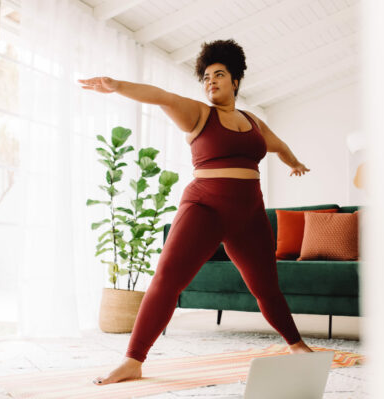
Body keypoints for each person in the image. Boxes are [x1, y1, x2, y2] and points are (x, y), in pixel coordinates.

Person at [79, 39, 313, 386]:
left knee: (266, 288)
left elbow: (277, 145)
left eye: (219, 74)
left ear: (236, 80)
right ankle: (133, 359)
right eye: (205, 77)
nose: (211, 81)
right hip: (205, 208)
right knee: (167, 280)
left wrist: (294, 163)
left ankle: (297, 346)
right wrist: (118, 87)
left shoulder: (254, 122)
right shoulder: (199, 114)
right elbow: (161, 96)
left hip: (250, 214)